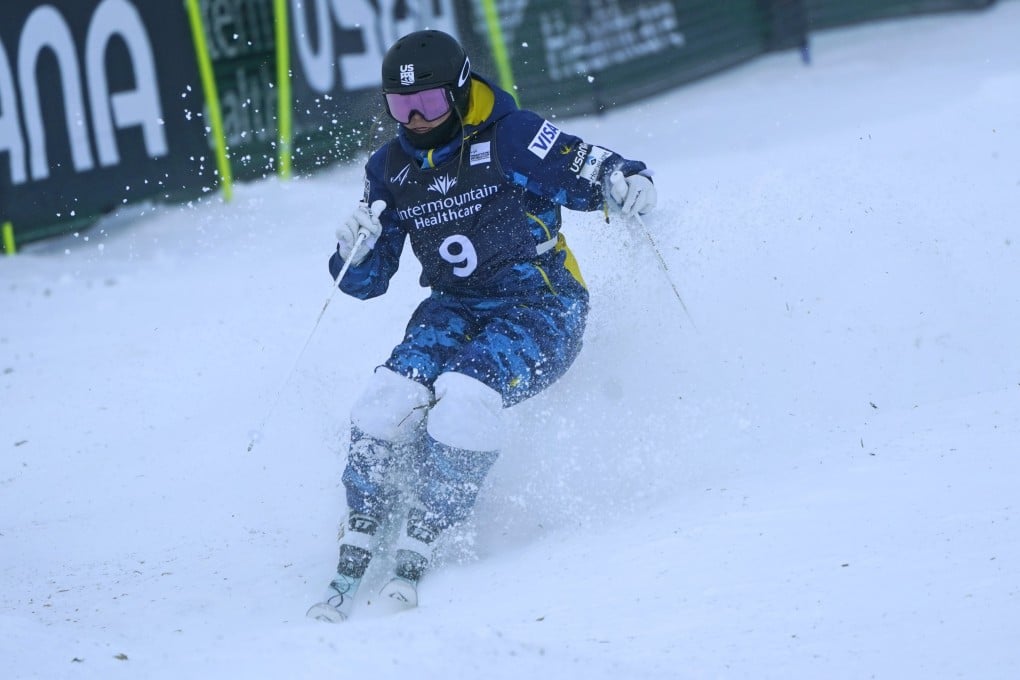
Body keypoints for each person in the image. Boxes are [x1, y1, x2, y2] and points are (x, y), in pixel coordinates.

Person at [308, 29, 656, 622]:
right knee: (385, 398)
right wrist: (353, 255)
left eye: (430, 104)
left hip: (541, 305)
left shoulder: (511, 139)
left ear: (461, 90)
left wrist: (627, 179)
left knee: (464, 397)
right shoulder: (389, 169)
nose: (415, 120)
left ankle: (433, 522)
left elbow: (589, 166)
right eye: (399, 106)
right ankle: (369, 511)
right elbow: (367, 283)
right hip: (453, 307)